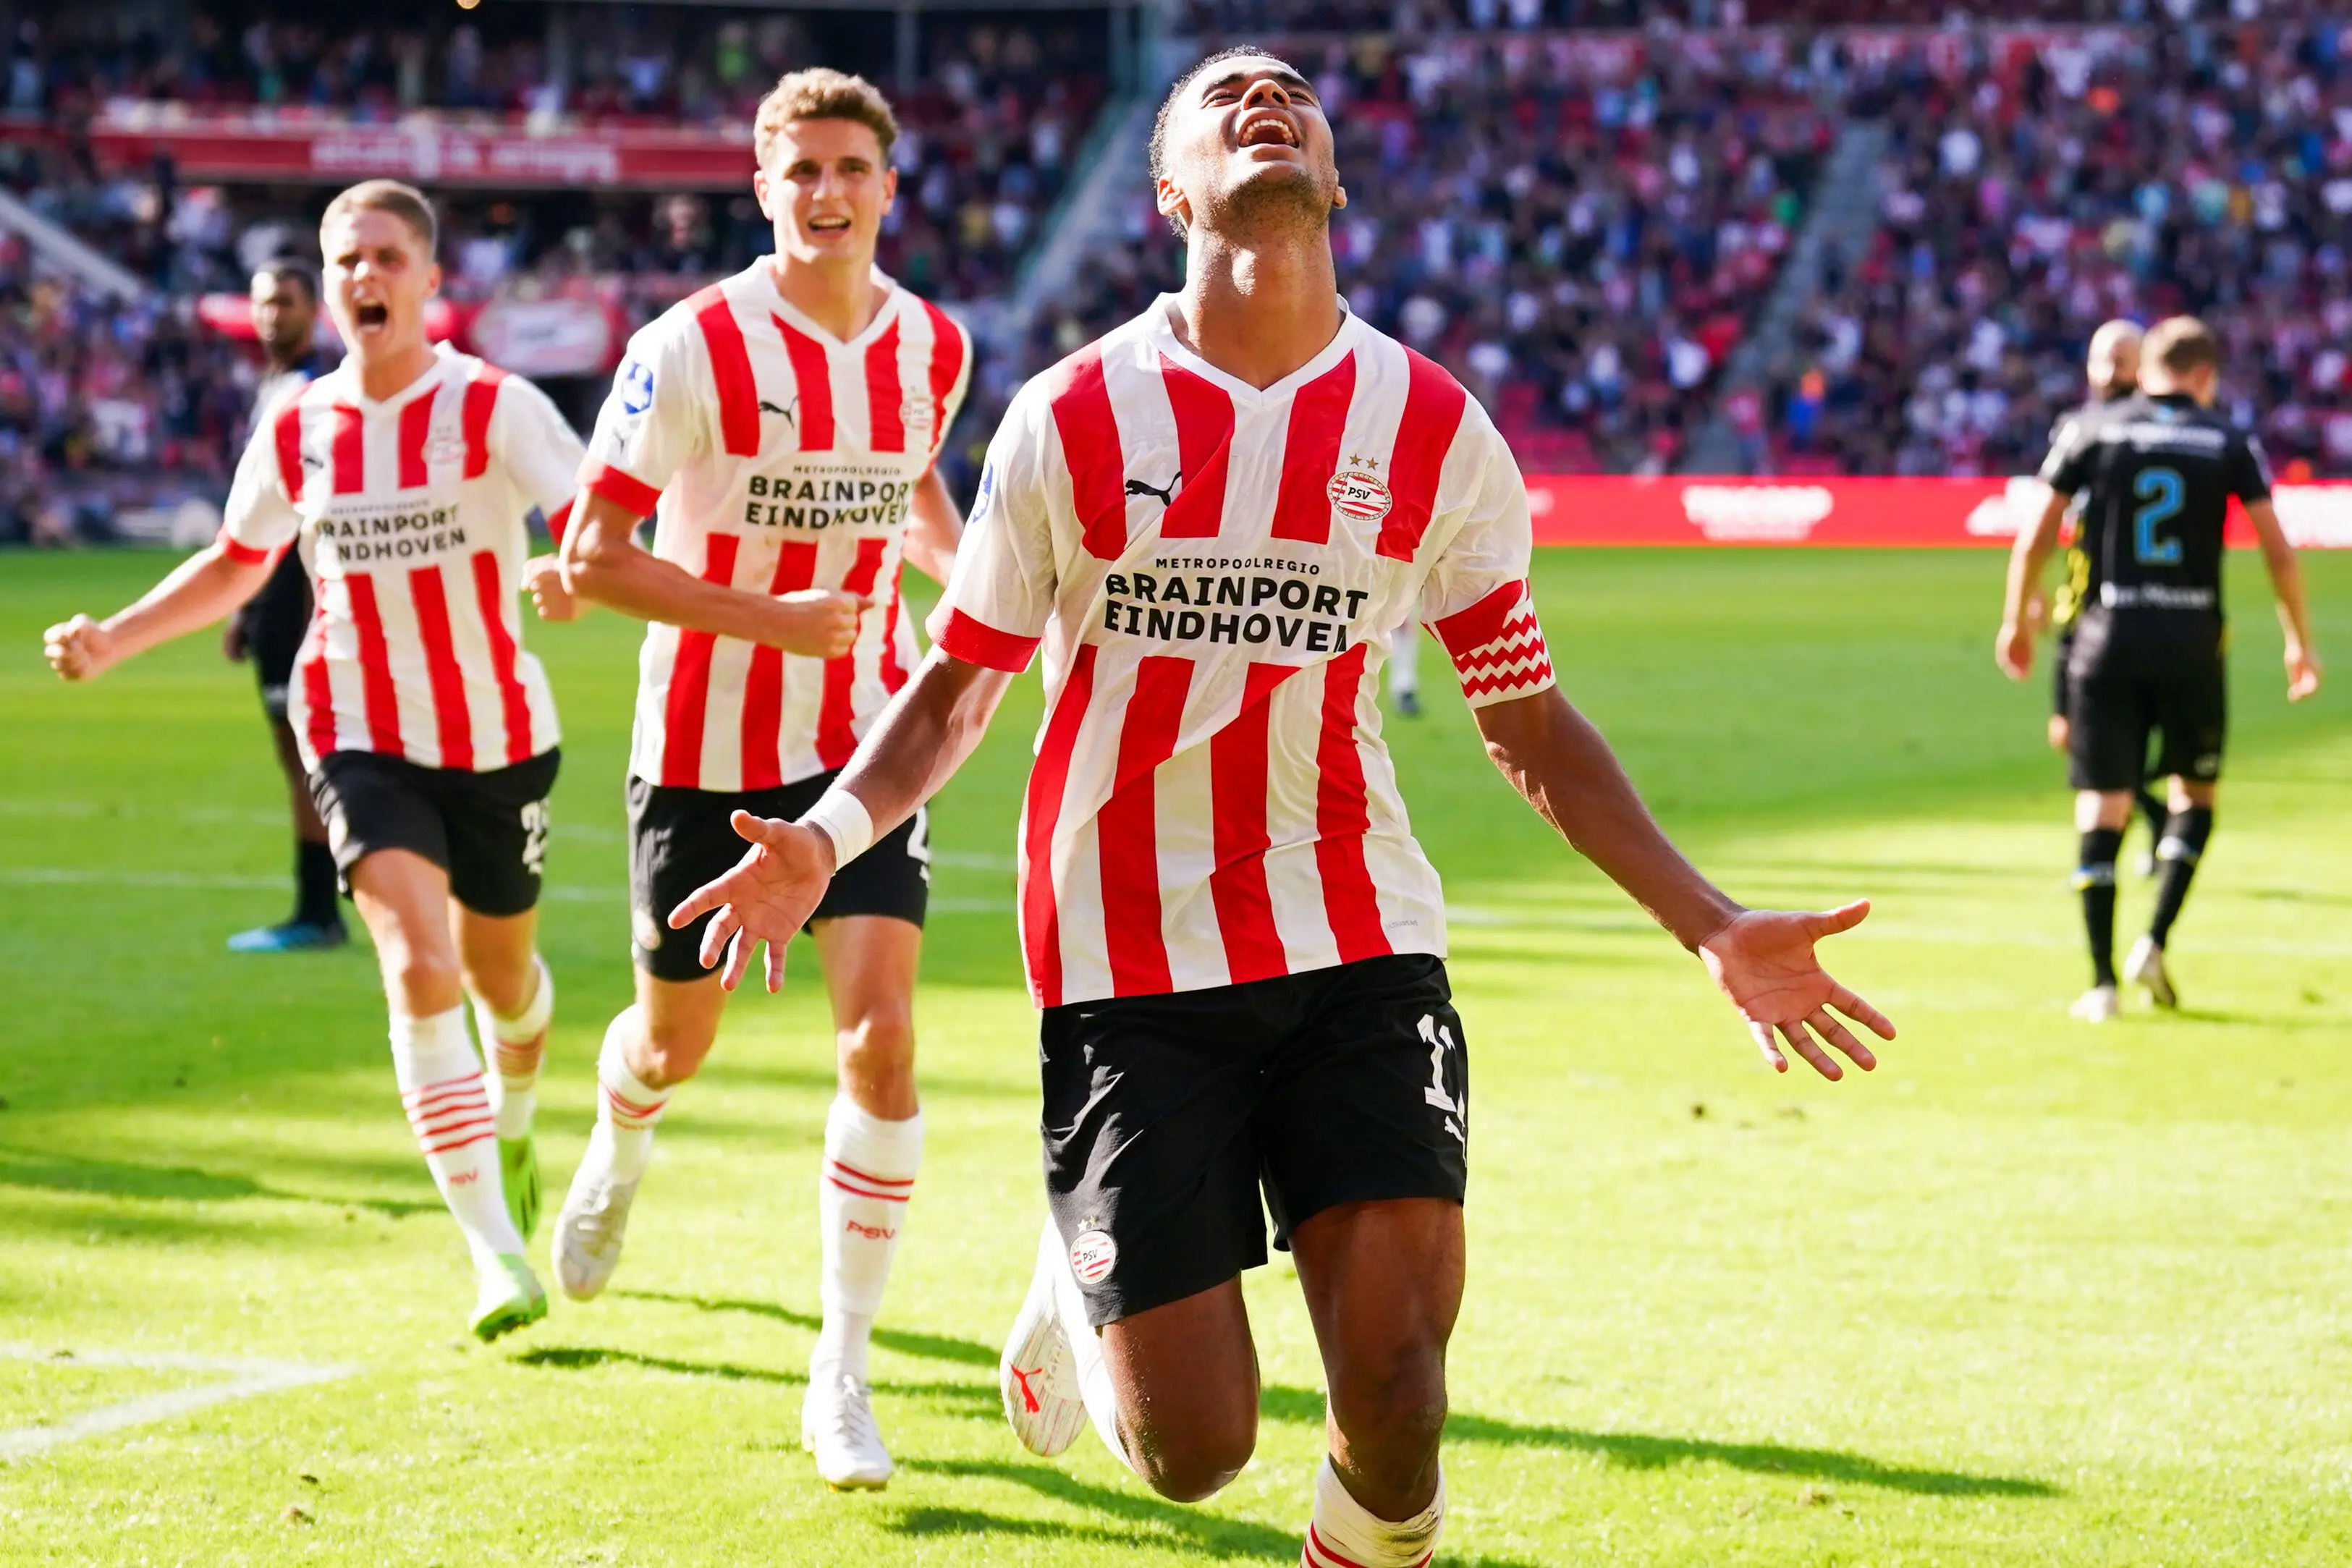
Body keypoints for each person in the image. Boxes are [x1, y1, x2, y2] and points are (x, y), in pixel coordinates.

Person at [664, 50, 1894, 1564]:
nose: (1266, 99)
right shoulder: (1068, 418)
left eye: (1292, 96)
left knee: (1396, 1388)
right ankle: (1079, 1263)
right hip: (1129, 964)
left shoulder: (1432, 429)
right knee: (1195, 1453)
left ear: (1333, 175)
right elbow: (958, 685)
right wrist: (828, 836)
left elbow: (1519, 713)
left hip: (1355, 929)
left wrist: (1704, 921)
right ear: (1169, 185)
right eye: (1223, 96)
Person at [43, 179, 585, 1340]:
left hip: (493, 737)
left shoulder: (494, 406)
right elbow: (237, 564)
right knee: (414, 961)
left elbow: (590, 520)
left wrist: (570, 570)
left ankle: (521, 1097)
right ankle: (494, 1249)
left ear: (431, 280)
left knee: (503, 982)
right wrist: (113, 637)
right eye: (347, 258)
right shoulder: (294, 424)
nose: (363, 277)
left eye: (387, 256)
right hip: (353, 725)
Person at [550, 68, 970, 1491]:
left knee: (882, 1041)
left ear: (886, 185)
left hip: (863, 748)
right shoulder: (690, 347)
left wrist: (963, 572)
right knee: (675, 1044)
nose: (828, 194)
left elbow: (911, 493)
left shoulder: (933, 345)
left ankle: (839, 1372)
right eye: (801, 172)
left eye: (851, 168)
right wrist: (771, 619)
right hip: (703, 760)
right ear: (761, 185)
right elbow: (591, 557)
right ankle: (618, 1129)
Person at [1999, 315, 2321, 1022]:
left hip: (2103, 641)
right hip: (2192, 645)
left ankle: (2100, 983)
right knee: (2194, 796)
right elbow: (2277, 550)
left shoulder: (2093, 429)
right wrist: (2297, 639)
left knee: (2100, 808)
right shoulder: (2225, 438)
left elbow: (2036, 535)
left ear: (2145, 367)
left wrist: (2015, 619)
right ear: (2206, 376)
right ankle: (2155, 937)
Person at [221, 258, 349, 954]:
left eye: (287, 303)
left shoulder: (309, 391)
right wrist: (245, 607)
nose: (274, 315)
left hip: (299, 601)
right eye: (264, 303)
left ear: (312, 310)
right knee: (295, 753)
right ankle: (327, 899)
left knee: (307, 754)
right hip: (271, 601)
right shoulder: (271, 385)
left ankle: (317, 910)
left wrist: (299, 609)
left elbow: (309, 515)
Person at [2039, 320, 2164, 872]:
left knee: (2108, 738)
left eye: (2122, 359)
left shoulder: (2155, 432)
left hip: (2134, 610)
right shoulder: (2075, 428)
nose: (2110, 371)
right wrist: (2033, 594)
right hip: (2080, 604)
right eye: (2101, 359)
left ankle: (2103, 855)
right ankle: (2150, 819)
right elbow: (2053, 522)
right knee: (2072, 733)